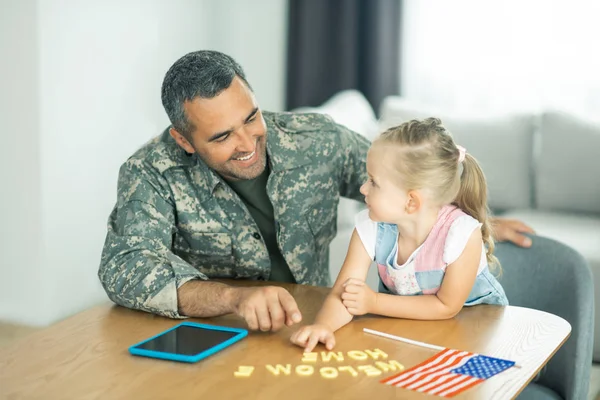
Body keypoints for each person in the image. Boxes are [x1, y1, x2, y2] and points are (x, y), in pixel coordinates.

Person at [98, 50, 533, 333]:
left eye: (251, 117)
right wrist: (231, 297)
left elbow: (404, 184)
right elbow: (124, 268)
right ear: (184, 140)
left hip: (315, 319)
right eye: (222, 137)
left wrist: (469, 224)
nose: (248, 143)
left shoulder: (316, 140)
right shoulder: (150, 173)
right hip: (222, 329)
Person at [291, 118, 508, 353]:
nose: (363, 188)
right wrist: (324, 326)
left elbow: (446, 306)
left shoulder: (462, 235)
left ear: (411, 202)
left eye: (373, 182)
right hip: (414, 331)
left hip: (475, 333)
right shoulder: (370, 227)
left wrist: (373, 302)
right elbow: (344, 295)